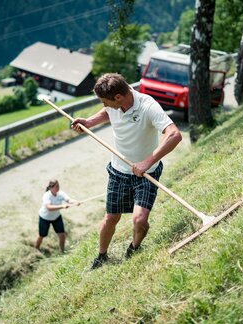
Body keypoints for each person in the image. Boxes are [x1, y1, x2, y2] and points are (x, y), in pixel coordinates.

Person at [71, 73, 182, 269]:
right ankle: (102, 256)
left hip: (147, 173)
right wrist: (89, 122)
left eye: (106, 101)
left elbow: (174, 134)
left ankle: (134, 248)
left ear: (119, 97)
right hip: (119, 171)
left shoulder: (148, 106)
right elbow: (108, 111)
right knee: (111, 218)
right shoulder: (114, 104)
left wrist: (147, 162)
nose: (104, 105)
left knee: (139, 220)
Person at [35, 179, 80, 253]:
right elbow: (49, 208)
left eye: (58, 185)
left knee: (62, 235)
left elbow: (68, 200)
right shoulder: (47, 195)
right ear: (51, 188)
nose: (58, 187)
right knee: (42, 235)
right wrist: (62, 206)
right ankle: (36, 248)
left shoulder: (61, 194)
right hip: (45, 218)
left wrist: (75, 202)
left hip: (56, 217)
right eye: (56, 186)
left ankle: (62, 251)